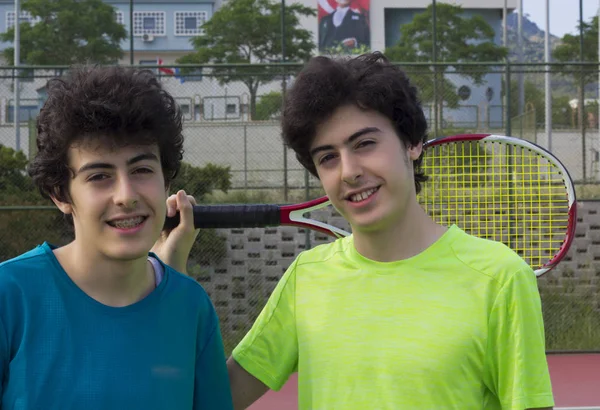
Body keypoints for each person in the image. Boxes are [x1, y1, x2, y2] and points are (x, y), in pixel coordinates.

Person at [226, 52, 555, 409]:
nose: (348, 171)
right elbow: (214, 399)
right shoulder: (306, 278)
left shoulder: (500, 277)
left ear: (412, 143)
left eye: (365, 144)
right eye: (328, 157)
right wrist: (164, 271)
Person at [0, 66, 233, 409]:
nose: (126, 195)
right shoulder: (10, 294)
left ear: (166, 183)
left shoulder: (192, 307)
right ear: (61, 195)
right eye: (99, 176)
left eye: (141, 170)